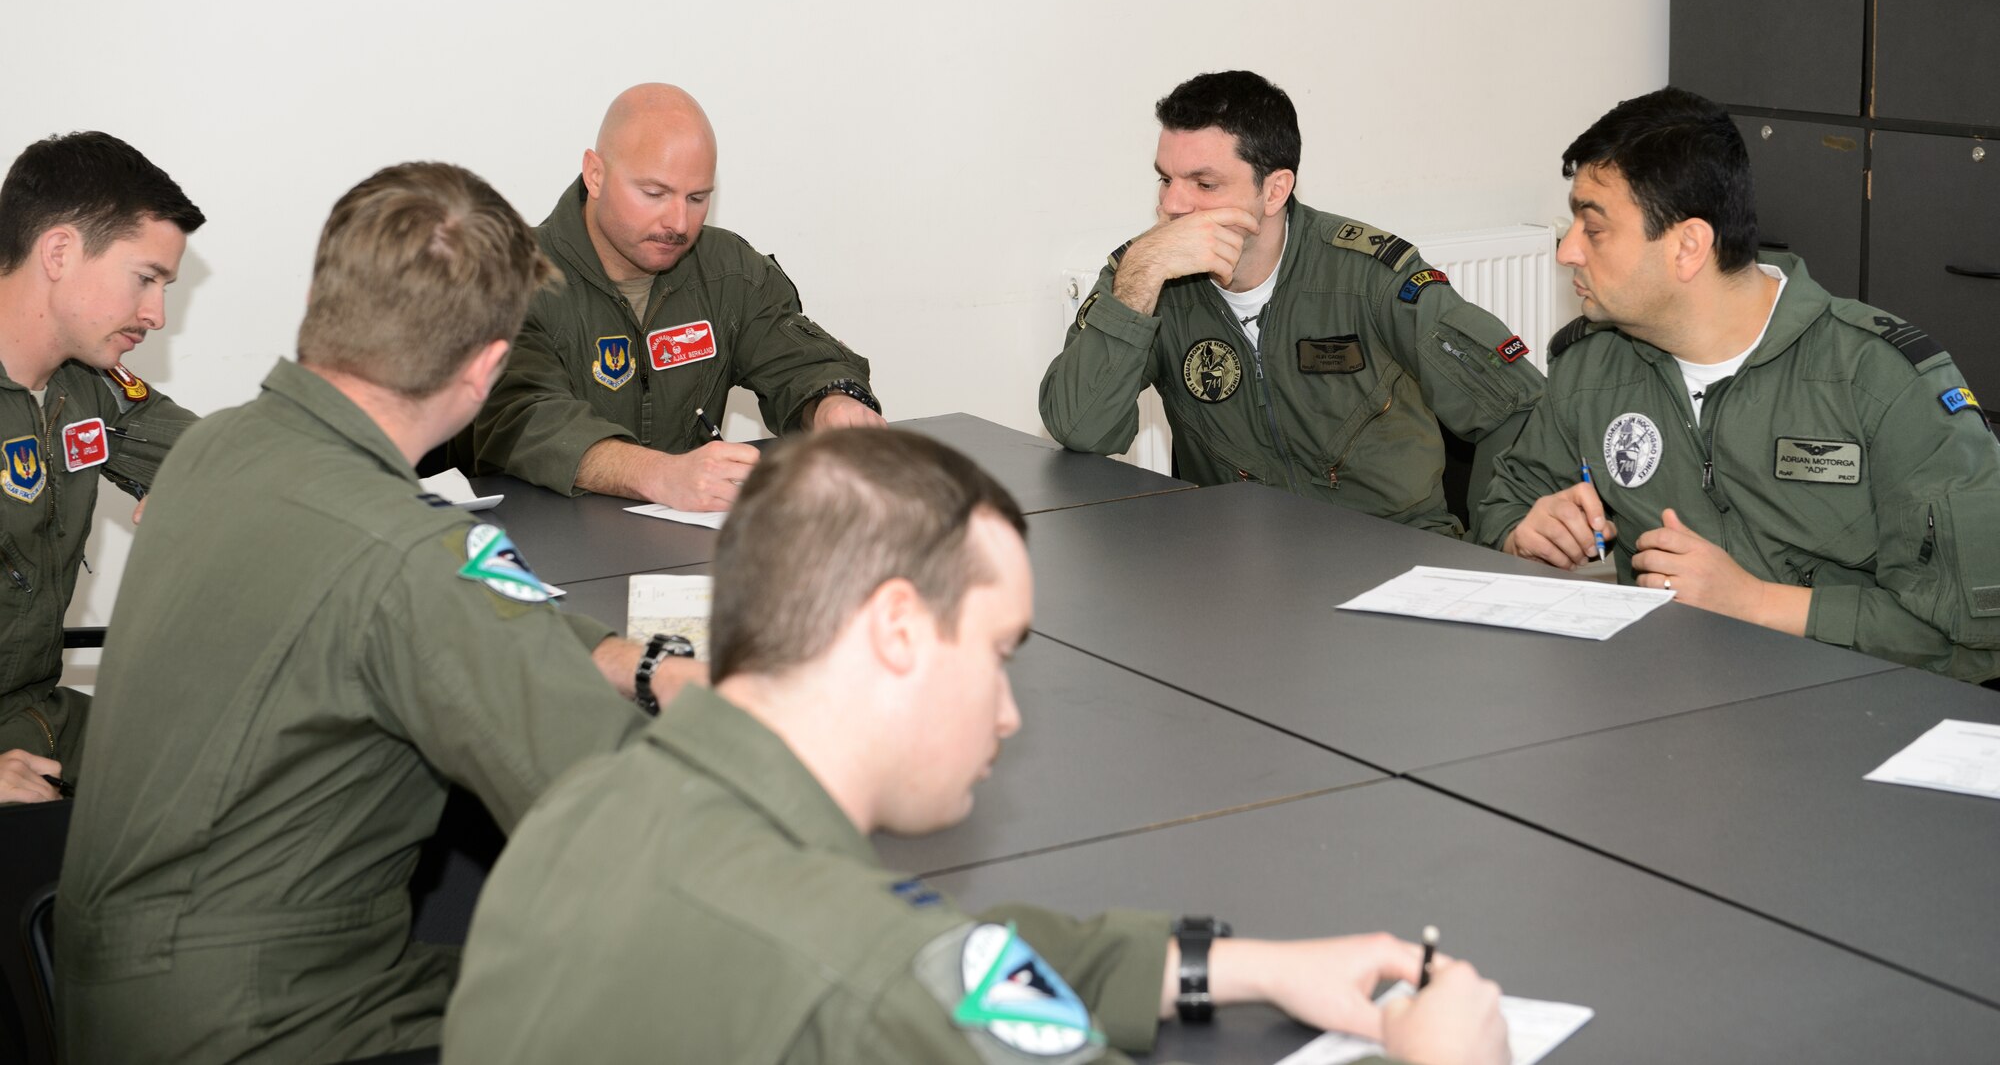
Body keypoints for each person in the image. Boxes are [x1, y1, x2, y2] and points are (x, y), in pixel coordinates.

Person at [442, 430, 1508, 1065]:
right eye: (998, 655)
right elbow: (898, 966)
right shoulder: (867, 975)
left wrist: (1237, 966)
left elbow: (946, 944)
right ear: (898, 630)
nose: (1008, 713)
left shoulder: (586, 811)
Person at [56, 162, 706, 1063]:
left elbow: (467, 607)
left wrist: (637, 661)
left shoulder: (217, 450)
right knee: (671, 1011)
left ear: (323, 305)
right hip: (273, 1021)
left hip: (117, 995)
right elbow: (623, 809)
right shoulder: (410, 555)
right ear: (485, 370)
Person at [1478, 87, 2000, 684]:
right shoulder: (1592, 366)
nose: (1567, 251)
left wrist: (1755, 602)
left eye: (1593, 228)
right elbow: (1503, 505)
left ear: (1688, 246)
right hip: (1657, 696)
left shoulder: (1882, 381)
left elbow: (1975, 634)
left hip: (1845, 709)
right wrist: (1525, 534)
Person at [1040, 71, 1543, 537]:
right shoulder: (1148, 274)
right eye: (1166, 179)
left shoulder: (1370, 278)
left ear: (1275, 190)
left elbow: (1518, 407)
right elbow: (1080, 429)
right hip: (1239, 564)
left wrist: (1497, 547)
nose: (1172, 204)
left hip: (1392, 557)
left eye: (1204, 184)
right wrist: (1139, 281)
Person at [455, 82, 884, 511]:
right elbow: (523, 416)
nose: (679, 223)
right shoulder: (510, 277)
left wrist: (831, 402)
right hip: (546, 535)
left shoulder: (729, 271)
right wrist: (658, 475)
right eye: (655, 194)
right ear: (595, 174)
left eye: (697, 198)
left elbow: (799, 360)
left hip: (687, 537)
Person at [0, 131, 204, 805]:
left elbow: (220, 455)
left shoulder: (85, 386)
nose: (156, 315)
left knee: (249, 762)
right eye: (145, 278)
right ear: (59, 252)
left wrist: (206, 484)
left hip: (36, 714)